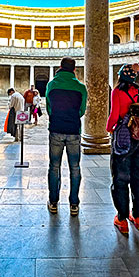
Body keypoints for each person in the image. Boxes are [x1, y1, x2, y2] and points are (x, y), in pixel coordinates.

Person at [106, 63, 139, 235]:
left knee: (120, 179)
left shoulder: (117, 92)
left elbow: (114, 115)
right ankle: (138, 218)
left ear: (120, 77)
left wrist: (110, 129)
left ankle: (122, 219)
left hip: (123, 141)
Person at [45, 57, 87, 217]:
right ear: (74, 70)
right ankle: (74, 204)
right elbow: (82, 110)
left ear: (60, 67)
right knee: (75, 168)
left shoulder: (51, 85)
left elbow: (49, 107)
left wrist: (57, 117)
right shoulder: (80, 87)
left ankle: (53, 202)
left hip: (56, 129)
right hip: (74, 131)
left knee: (54, 167)